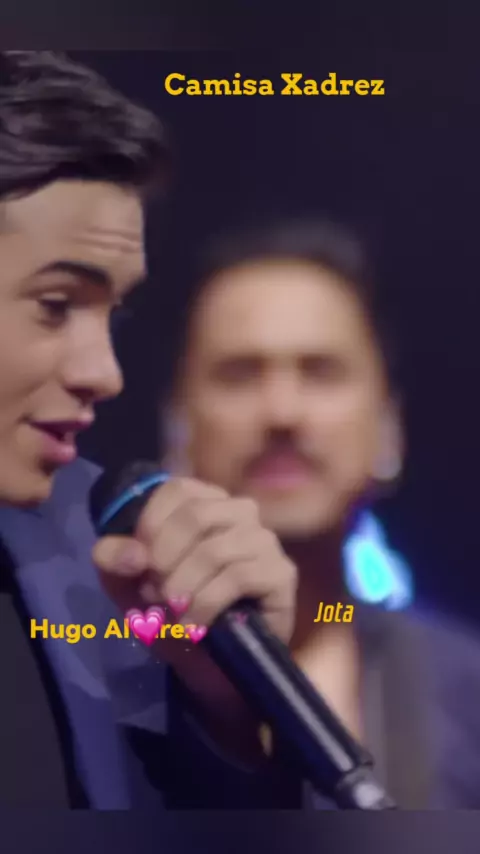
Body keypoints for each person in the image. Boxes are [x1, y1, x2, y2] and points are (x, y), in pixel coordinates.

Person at [0, 51, 298, 809]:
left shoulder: (106, 558)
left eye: (113, 313)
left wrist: (229, 711)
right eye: (56, 305)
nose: (105, 373)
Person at [154, 216, 480, 808]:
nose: (282, 412)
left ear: (388, 428)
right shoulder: (101, 683)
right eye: (239, 374)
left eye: (321, 371)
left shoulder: (465, 692)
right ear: (178, 429)